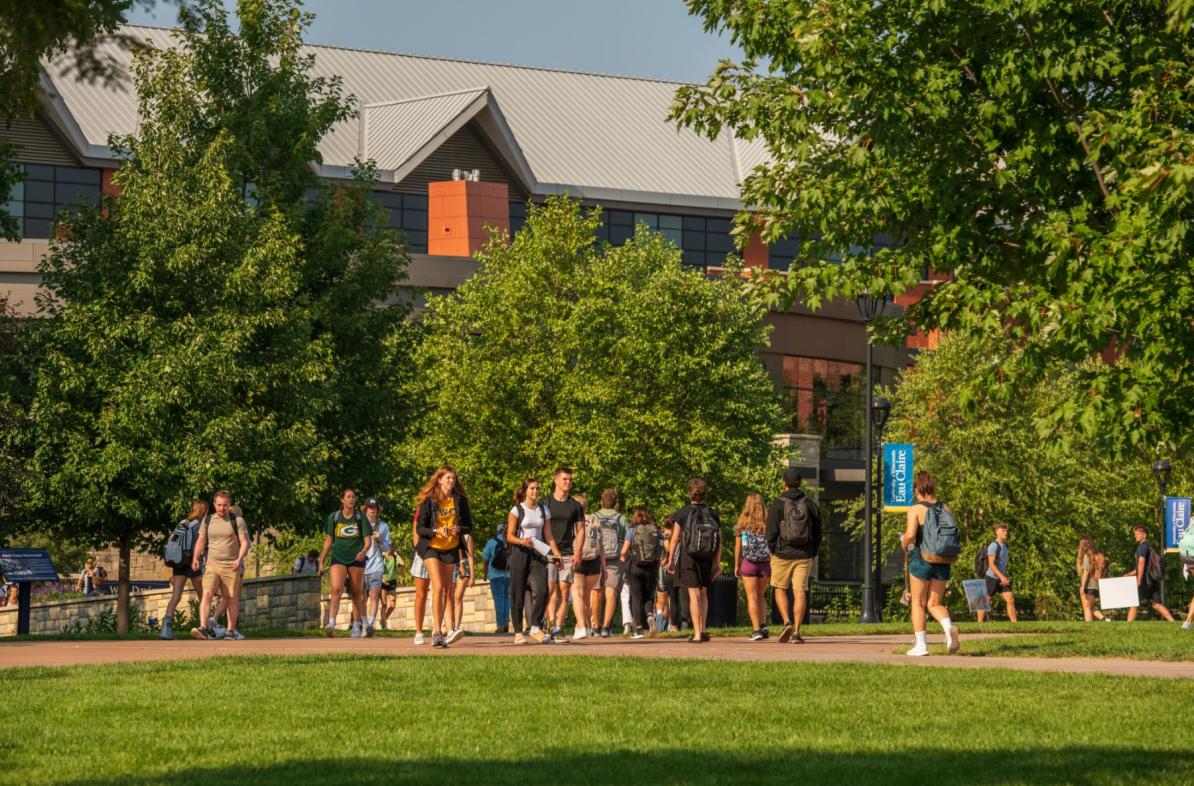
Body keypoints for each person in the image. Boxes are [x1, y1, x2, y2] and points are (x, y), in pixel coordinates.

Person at [900, 471, 959, 656]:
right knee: (934, 602)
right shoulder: (945, 507)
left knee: (917, 602)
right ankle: (948, 629)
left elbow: (910, 535)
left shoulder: (916, 508)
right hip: (943, 559)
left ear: (917, 488)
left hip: (922, 558)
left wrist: (904, 543)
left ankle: (921, 646)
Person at [414, 466, 473, 648]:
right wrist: (436, 530)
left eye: (453, 478)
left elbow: (469, 525)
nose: (451, 481)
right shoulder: (429, 501)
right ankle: (437, 632)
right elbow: (420, 528)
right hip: (432, 548)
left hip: (451, 548)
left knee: (447, 590)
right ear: (439, 480)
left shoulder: (460, 500)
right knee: (438, 587)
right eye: (447, 478)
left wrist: (459, 529)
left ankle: (447, 629)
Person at [506, 478, 564, 644]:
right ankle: (518, 632)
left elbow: (549, 535)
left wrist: (556, 553)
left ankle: (535, 626)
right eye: (532, 489)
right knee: (517, 591)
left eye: (537, 489)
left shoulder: (544, 510)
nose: (535, 492)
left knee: (543, 590)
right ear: (525, 491)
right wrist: (521, 541)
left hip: (538, 552)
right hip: (520, 552)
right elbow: (509, 535)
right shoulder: (517, 510)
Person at [766, 470, 821, 644]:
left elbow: (771, 532)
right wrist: (813, 551)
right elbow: (819, 533)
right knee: (800, 591)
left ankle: (786, 621)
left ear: (785, 483)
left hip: (782, 553)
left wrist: (772, 549)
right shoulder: (811, 505)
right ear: (800, 483)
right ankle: (797, 631)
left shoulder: (778, 504)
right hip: (804, 554)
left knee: (779, 588)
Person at [189, 490, 250, 640]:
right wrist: (195, 557)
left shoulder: (238, 521)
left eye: (225, 505)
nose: (222, 508)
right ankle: (203, 627)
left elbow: (245, 542)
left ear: (229, 505)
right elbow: (201, 541)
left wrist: (239, 558)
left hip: (231, 565)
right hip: (212, 564)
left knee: (230, 598)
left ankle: (230, 630)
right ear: (214, 504)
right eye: (219, 505)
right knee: (207, 594)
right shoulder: (208, 520)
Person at [668, 478, 722, 643]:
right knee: (704, 593)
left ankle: (697, 633)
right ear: (705, 495)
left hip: (689, 556)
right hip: (707, 556)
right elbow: (719, 539)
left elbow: (675, 538)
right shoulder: (712, 513)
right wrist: (717, 562)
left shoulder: (683, 512)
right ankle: (704, 629)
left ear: (689, 493)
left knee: (693, 594)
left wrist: (670, 559)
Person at [318, 488, 373, 638]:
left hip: (356, 559)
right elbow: (329, 540)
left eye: (353, 497)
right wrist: (321, 560)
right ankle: (331, 623)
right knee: (336, 589)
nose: (351, 499)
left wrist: (363, 551)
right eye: (348, 497)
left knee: (356, 592)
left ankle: (356, 625)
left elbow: (368, 541)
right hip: (338, 558)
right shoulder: (334, 517)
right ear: (342, 500)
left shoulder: (360, 517)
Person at [544, 466, 584, 642]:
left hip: (568, 552)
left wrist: (578, 552)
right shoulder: (545, 503)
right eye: (564, 479)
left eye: (570, 480)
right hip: (547, 552)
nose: (568, 482)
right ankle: (550, 625)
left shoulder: (575, 506)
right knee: (550, 590)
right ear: (556, 481)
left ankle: (558, 628)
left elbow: (581, 530)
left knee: (565, 591)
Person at [161, 498, 207, 640]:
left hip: (179, 562)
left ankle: (166, 628)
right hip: (192, 562)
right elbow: (200, 545)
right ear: (204, 510)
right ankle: (205, 627)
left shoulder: (183, 523)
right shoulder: (200, 525)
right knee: (203, 596)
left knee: (176, 596)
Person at [620, 507, 663, 638]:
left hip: (636, 567)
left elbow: (623, 551)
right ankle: (650, 615)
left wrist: (624, 558)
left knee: (637, 597)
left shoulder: (632, 530)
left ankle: (638, 630)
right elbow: (661, 549)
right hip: (652, 567)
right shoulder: (656, 530)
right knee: (649, 596)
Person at [735, 493, 772, 641]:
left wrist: (737, 565)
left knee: (752, 597)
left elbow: (738, 547)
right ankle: (763, 626)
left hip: (749, 563)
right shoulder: (768, 522)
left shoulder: (742, 523)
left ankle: (756, 630)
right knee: (761, 595)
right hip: (765, 563)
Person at [590, 491, 627, 638]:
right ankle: (606, 627)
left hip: (596, 559)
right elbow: (626, 539)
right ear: (615, 503)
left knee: (596, 592)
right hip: (614, 560)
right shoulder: (621, 518)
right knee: (611, 592)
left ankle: (596, 627)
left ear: (601, 502)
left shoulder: (594, 516)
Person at [568, 493, 602, 641]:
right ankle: (581, 626)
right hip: (594, 561)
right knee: (586, 596)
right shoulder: (594, 519)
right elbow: (601, 545)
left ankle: (581, 626)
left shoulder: (571, 520)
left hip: (577, 558)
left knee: (577, 593)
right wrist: (604, 566)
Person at [1124, 525, 1175, 622]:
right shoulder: (1149, 547)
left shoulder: (1142, 547)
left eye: (1138, 534)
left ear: (1144, 535)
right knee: (1156, 604)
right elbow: (1142, 567)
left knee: (1134, 602)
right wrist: (1128, 574)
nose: (1136, 536)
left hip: (1145, 580)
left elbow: (1141, 564)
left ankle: (1128, 625)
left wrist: (1139, 580)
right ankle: (1172, 621)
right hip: (1152, 579)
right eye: (1135, 534)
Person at [361, 498, 392, 637]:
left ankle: (371, 624)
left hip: (377, 566)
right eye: (369, 507)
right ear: (365, 509)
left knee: (374, 595)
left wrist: (380, 540)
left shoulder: (383, 526)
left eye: (374, 507)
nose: (372, 510)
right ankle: (364, 624)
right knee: (362, 597)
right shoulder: (359, 524)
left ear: (377, 510)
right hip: (360, 565)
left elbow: (388, 549)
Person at [977, 523, 1017, 623]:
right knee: (985, 601)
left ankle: (1015, 625)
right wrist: (1001, 577)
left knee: (1010, 599)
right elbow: (992, 565)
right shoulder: (993, 546)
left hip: (1001, 577)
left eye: (1006, 531)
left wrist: (1003, 577)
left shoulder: (1005, 546)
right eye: (1003, 531)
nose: (1006, 532)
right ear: (997, 532)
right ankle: (979, 625)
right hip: (991, 577)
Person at [482, 527, 512, 633]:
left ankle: (500, 625)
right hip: (509, 575)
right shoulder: (510, 542)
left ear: (497, 531)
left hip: (495, 576)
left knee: (498, 600)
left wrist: (485, 575)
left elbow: (485, 560)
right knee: (506, 599)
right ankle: (506, 623)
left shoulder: (491, 542)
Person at [446, 533, 475, 643]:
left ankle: (457, 626)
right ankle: (451, 626)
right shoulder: (451, 533)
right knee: (450, 597)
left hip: (464, 566)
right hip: (452, 564)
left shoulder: (467, 536)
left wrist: (472, 576)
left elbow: (470, 555)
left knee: (458, 597)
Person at [409, 515, 431, 645]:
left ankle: (439, 630)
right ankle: (419, 631)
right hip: (423, 552)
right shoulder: (422, 508)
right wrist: (420, 548)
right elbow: (416, 534)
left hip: (441, 552)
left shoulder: (447, 503)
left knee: (442, 591)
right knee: (421, 594)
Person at [1075, 537, 1106, 622]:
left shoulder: (1087, 556)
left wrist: (1083, 586)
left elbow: (1086, 571)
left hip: (1088, 585)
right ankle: (1105, 620)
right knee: (1090, 606)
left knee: (1087, 607)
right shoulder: (1094, 555)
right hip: (1095, 585)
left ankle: (1088, 627)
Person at [380, 547, 402, 630]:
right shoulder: (382, 556)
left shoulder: (395, 558)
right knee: (384, 604)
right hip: (383, 582)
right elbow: (378, 568)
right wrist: (381, 579)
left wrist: (397, 554)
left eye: (391, 547)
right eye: (388, 547)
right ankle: (383, 624)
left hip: (392, 582)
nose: (389, 549)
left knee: (392, 605)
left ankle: (384, 619)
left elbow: (402, 564)